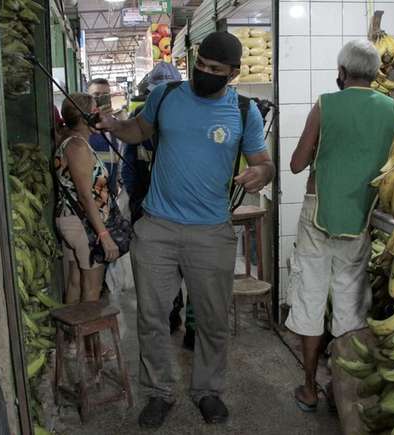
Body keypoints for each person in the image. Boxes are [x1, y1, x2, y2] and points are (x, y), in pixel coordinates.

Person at [97, 32, 275, 429]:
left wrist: (260, 173)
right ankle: (159, 392)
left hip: (211, 232)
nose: (205, 74)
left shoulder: (244, 111)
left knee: (212, 320)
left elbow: (263, 162)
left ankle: (207, 391)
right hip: (157, 227)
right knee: (153, 318)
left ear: (233, 73)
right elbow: (138, 131)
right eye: (201, 65)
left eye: (216, 70)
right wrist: (113, 124)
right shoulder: (166, 96)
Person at [284, 39, 394, 412]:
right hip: (361, 217)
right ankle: (342, 387)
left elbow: (297, 164)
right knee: (350, 306)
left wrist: (322, 150)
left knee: (310, 299)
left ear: (342, 72)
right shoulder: (391, 110)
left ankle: (308, 388)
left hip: (319, 216)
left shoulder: (325, 103)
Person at [122, 64, 194, 346]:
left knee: (194, 270)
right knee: (163, 271)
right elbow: (129, 167)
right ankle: (170, 315)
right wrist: (138, 201)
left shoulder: (192, 117)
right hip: (150, 210)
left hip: (188, 208)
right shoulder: (139, 119)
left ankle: (193, 328)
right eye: (157, 94)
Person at [54, 93, 120, 308]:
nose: (99, 115)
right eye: (94, 111)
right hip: (85, 225)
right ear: (85, 117)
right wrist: (104, 235)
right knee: (92, 290)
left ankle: (72, 341)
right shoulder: (78, 147)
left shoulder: (71, 142)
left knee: (75, 283)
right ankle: (89, 342)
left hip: (72, 221)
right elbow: (85, 195)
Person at [86, 78, 122, 195]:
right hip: (90, 196)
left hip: (111, 195)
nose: (100, 99)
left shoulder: (117, 127)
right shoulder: (81, 128)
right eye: (96, 95)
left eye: (105, 95)